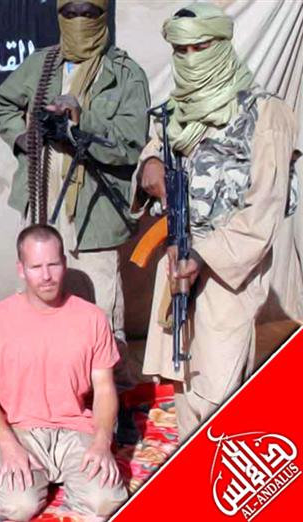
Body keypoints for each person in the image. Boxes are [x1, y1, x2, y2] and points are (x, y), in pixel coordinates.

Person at [136, 3, 301, 439]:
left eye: (201, 47)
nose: (191, 59)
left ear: (223, 45)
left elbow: (264, 209)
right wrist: (149, 164)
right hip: (176, 262)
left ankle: (218, 472)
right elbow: (156, 148)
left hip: (228, 274)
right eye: (181, 50)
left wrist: (203, 256)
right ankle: (193, 469)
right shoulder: (175, 111)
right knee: (184, 384)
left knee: (219, 395)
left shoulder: (266, 113)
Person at [0, 0, 150, 370]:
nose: (80, 20)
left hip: (94, 211)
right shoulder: (41, 64)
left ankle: (111, 390)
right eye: (71, 13)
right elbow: (2, 106)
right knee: (37, 301)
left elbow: (131, 143)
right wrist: (24, 137)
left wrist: (81, 122)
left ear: (103, 15)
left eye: (89, 12)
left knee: (101, 311)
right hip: (41, 202)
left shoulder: (124, 73)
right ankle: (40, 382)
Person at [0, 225, 127, 519]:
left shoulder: (92, 318)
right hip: (21, 431)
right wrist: (7, 444)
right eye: (36, 267)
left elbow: (104, 388)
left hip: (76, 429)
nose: (46, 276)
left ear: (64, 263)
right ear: (21, 269)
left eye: (53, 264)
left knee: (105, 501)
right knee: (18, 505)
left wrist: (102, 442)